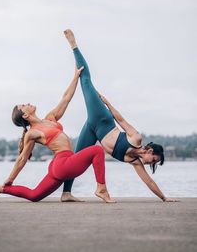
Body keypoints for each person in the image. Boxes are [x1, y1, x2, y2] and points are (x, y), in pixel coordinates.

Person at [61, 29, 178, 203]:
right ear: (150, 151)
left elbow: (149, 181)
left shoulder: (135, 161)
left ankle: (66, 193)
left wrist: (164, 198)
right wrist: (107, 104)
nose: (150, 163)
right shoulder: (136, 138)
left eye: (153, 164)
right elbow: (121, 120)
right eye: (153, 160)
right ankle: (74, 45)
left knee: (75, 162)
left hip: (94, 131)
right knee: (85, 81)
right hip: (102, 117)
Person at [0, 65, 115, 203]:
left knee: (34, 195)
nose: (28, 103)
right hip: (62, 164)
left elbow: (66, 98)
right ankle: (101, 189)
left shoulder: (50, 118)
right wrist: (10, 179)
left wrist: (75, 77)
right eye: (24, 105)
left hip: (62, 164)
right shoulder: (32, 133)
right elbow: (22, 158)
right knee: (97, 150)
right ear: (25, 115)